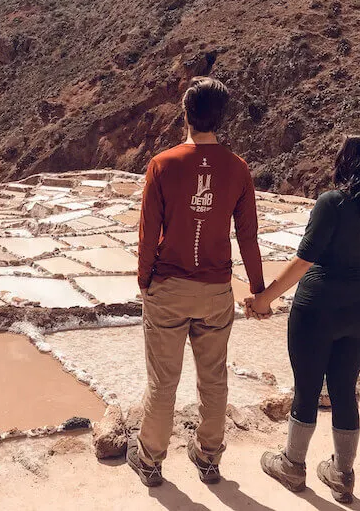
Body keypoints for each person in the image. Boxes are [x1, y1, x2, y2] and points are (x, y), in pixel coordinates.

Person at [128, 77, 268, 487]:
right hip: (215, 292)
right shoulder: (238, 169)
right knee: (214, 378)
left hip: (168, 289)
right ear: (220, 119)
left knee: (163, 381)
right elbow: (248, 236)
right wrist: (258, 289)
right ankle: (208, 458)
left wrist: (145, 282)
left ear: (185, 115)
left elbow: (147, 231)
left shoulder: (163, 164)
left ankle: (151, 460)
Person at [248, 134, 360, 504]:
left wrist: (264, 299)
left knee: (307, 387)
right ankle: (342, 475)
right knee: (345, 389)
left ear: (348, 161)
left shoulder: (332, 203)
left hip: (318, 309)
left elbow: (304, 261)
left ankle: (292, 465)